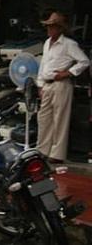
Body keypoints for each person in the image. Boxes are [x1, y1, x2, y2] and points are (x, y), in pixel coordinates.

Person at [36, 12, 89, 163]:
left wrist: (68, 73)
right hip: (47, 84)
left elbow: (84, 61)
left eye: (52, 27)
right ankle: (43, 150)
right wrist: (40, 85)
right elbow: (43, 65)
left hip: (61, 84)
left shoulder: (69, 44)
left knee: (60, 119)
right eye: (48, 26)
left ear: (59, 28)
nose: (49, 29)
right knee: (44, 118)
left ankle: (57, 154)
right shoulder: (47, 43)